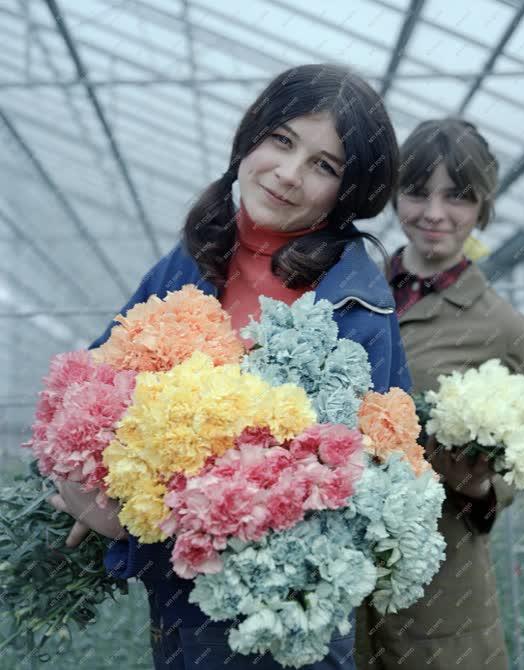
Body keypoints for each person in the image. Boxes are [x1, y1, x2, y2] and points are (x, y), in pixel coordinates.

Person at [47, 63, 411, 670]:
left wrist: (134, 524)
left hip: (279, 629)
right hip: (179, 618)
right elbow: (94, 377)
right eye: (283, 140)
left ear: (350, 192)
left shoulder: (358, 306)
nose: (289, 175)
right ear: (252, 134)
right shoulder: (190, 260)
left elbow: (340, 508)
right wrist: (80, 476)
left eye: (325, 166)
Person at [354, 118, 524, 670]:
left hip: (441, 587)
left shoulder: (502, 327)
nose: (434, 213)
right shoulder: (351, 294)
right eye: (417, 192)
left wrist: (481, 485)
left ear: (483, 206)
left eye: (457, 196)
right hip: (340, 575)